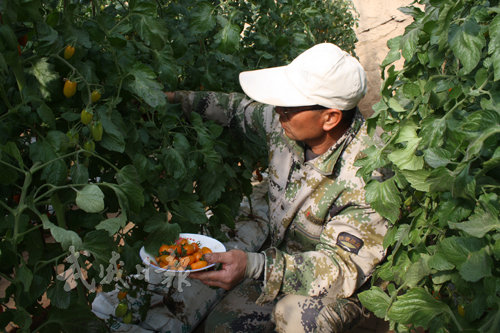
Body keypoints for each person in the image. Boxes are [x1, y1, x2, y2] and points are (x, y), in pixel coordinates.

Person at [166, 43, 389, 333]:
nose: (278, 111)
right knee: (221, 326)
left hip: (347, 288)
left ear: (330, 117)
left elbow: (339, 269)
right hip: (284, 262)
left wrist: (255, 267)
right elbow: (234, 109)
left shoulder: (368, 175)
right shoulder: (285, 124)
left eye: (289, 106)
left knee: (297, 317)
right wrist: (170, 99)